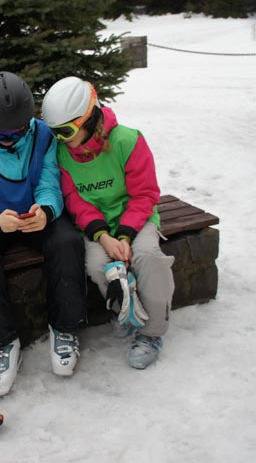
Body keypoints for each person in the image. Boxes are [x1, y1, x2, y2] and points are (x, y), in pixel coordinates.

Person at [0, 71, 88, 396]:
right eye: (2, 133)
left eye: (18, 130)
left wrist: (46, 211)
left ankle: (66, 327)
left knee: (67, 240)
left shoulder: (42, 136)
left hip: (33, 216)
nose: (11, 138)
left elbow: (50, 182)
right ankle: (0, 343)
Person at [42, 76, 174, 369]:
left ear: (88, 119)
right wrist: (103, 237)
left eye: (66, 131)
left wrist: (125, 236)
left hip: (135, 218)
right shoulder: (63, 153)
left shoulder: (127, 141)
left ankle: (152, 333)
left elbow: (144, 194)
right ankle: (123, 311)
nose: (60, 139)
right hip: (96, 226)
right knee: (97, 264)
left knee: (147, 257)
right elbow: (75, 200)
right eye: (55, 133)